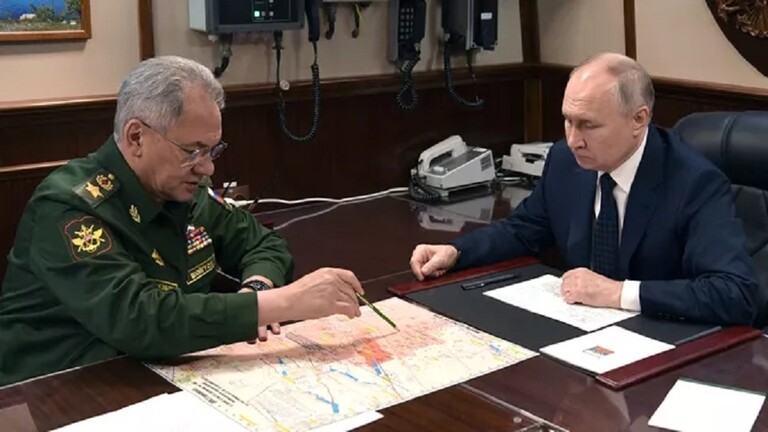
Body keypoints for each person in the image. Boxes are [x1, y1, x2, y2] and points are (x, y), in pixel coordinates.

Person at [0, 56, 363, 386]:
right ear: (136, 137)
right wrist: (283, 303)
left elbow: (262, 243)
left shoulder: (183, 189)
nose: (208, 168)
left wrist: (258, 288)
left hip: (160, 370)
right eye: (192, 151)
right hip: (60, 387)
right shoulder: (69, 206)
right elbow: (140, 319)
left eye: (212, 150)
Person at [410, 52, 764, 327]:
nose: (573, 139)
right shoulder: (565, 161)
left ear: (638, 120)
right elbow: (524, 228)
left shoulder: (695, 182)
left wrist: (618, 293)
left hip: (663, 340)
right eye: (567, 120)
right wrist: (457, 252)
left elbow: (735, 293)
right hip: (583, 334)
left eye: (588, 125)